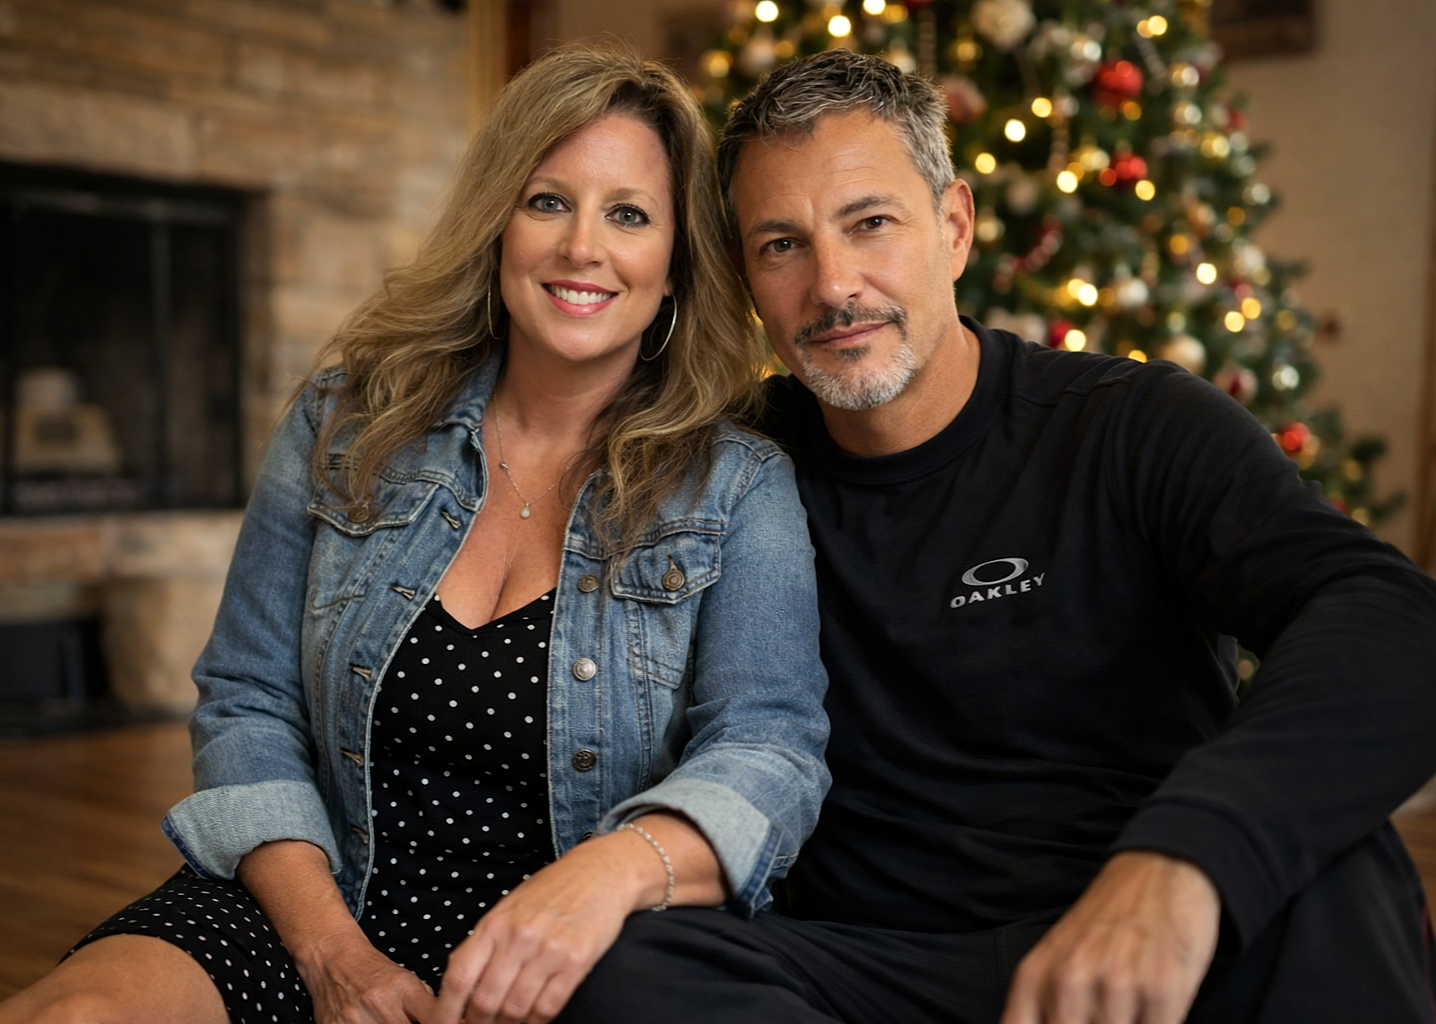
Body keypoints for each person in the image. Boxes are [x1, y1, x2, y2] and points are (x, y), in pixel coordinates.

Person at [0, 42, 830, 1024]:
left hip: (583, 963)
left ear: (673, 269)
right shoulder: (348, 423)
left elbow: (770, 752)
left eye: (628, 213)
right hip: (320, 909)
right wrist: (333, 957)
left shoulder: (738, 483)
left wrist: (601, 882)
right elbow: (246, 702)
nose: (584, 246)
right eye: (548, 201)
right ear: (497, 224)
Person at [557, 49, 1436, 1024]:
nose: (834, 284)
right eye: (781, 244)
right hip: (882, 971)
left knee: (1339, 864)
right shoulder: (728, 471)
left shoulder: (1133, 424)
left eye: (871, 223)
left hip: (1145, 959)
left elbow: (1392, 615)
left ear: (955, 225)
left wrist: (1186, 855)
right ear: (749, 279)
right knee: (627, 968)